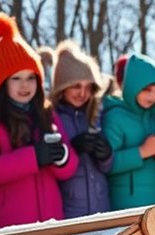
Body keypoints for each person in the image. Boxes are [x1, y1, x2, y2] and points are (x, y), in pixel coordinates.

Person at [0, 13, 78, 233]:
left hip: (49, 222)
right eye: (16, 78)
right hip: (6, 228)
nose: (24, 85)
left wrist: (61, 157)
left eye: (31, 77)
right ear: (1, 83)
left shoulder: (47, 115)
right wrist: (34, 156)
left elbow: (69, 169)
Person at [50, 40, 113, 219]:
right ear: (62, 86)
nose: (82, 93)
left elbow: (107, 168)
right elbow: (53, 168)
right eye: (76, 86)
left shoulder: (95, 116)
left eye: (88, 87)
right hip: (70, 210)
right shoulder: (54, 118)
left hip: (101, 206)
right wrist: (73, 149)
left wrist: (106, 155)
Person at [102, 53, 155, 210]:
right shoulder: (115, 117)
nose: (152, 96)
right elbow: (107, 164)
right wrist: (142, 152)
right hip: (127, 208)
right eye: (146, 90)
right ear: (133, 86)